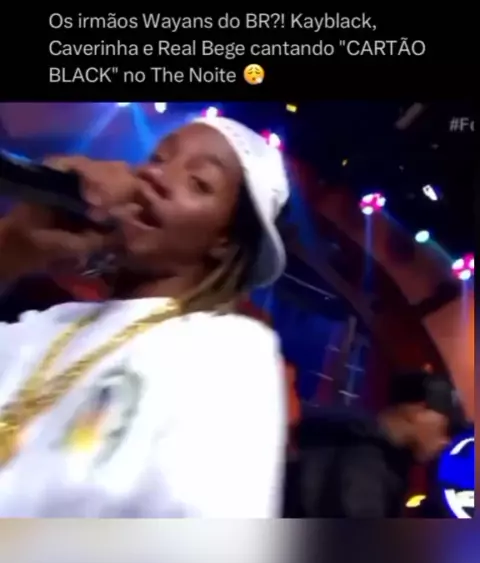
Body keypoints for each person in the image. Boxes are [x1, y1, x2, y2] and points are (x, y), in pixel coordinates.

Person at [0, 117, 289, 518]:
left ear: (224, 241)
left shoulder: (227, 350)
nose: (156, 176)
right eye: (158, 158)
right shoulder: (53, 324)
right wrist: (14, 243)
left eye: (198, 182)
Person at [292, 371, 468, 518]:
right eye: (446, 429)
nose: (447, 442)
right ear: (415, 411)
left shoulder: (369, 450)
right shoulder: (365, 464)